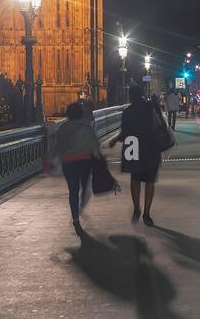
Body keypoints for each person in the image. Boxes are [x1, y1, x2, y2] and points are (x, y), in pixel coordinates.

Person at [106, 85, 163, 226]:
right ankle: (147, 214)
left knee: (135, 179)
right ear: (143, 94)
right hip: (151, 148)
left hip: (134, 149)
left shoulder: (127, 112)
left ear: (130, 96)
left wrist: (114, 140)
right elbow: (160, 125)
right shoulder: (151, 108)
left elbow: (124, 132)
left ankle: (136, 208)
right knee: (150, 181)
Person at [56, 100, 101, 234]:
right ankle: (81, 207)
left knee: (73, 190)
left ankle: (75, 217)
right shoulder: (86, 127)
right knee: (86, 188)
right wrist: (98, 158)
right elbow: (95, 146)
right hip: (84, 162)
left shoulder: (62, 128)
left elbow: (57, 146)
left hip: (68, 163)